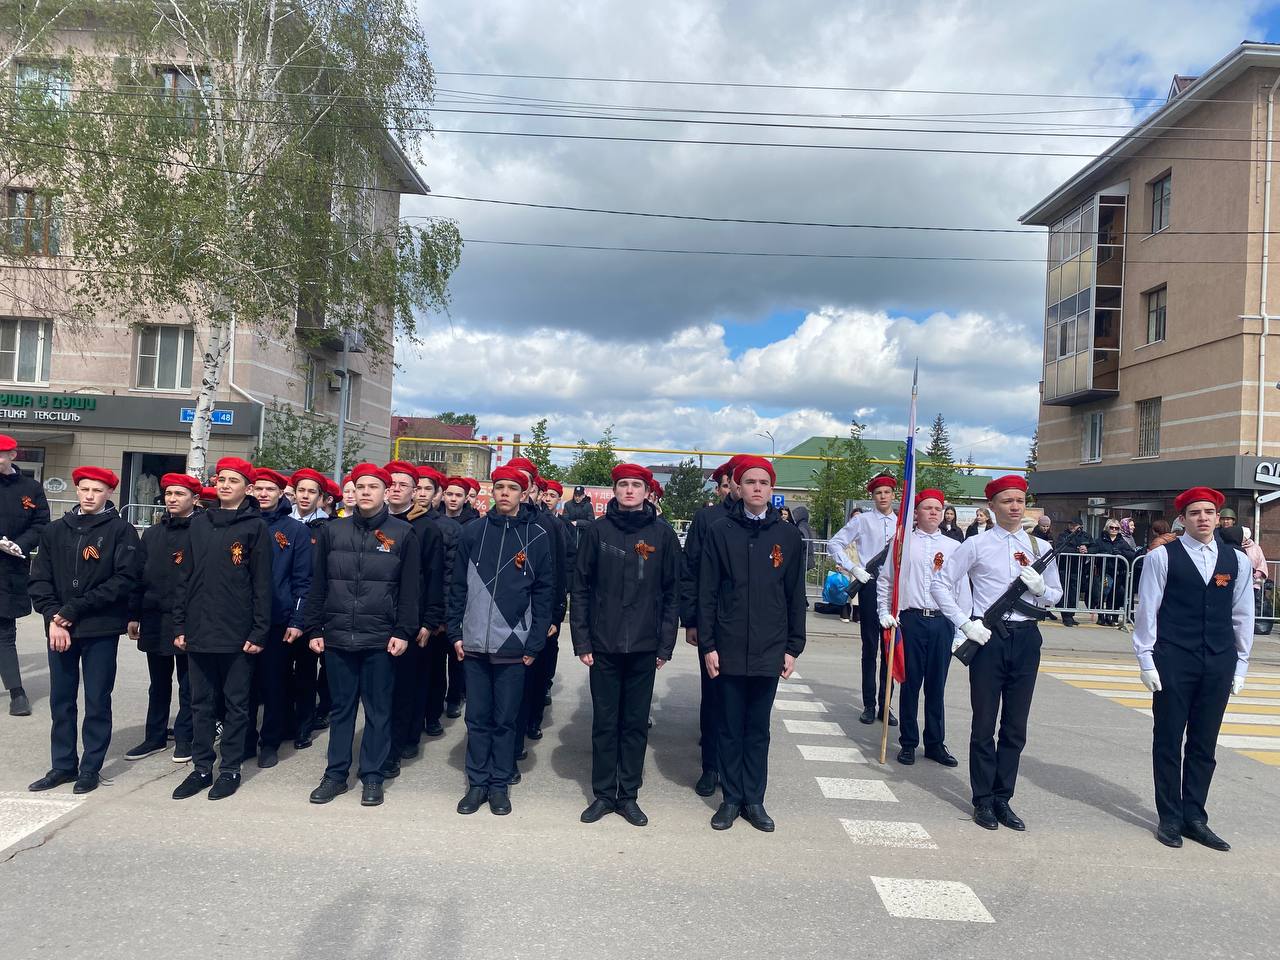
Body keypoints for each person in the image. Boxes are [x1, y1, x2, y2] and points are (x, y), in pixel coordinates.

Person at [931, 474, 1062, 832]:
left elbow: (1056, 595)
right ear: (991, 506)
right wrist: (964, 623)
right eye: (1007, 501)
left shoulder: (1039, 547)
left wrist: (1041, 589)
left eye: (1020, 500)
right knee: (984, 724)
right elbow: (940, 583)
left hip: (1027, 637)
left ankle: (1004, 797)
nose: (1015, 507)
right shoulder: (976, 545)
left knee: (1015, 726)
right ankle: (983, 799)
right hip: (988, 638)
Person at [1132, 487, 1253, 851]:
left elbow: (1242, 614)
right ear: (1182, 519)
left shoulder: (1236, 560)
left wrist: (1241, 664)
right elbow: (1147, 610)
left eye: (1209, 512)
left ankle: (1195, 817)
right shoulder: (1162, 557)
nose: (1203, 518)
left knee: (1204, 743)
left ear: (1218, 518)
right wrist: (1146, 659)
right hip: (1174, 658)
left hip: (1218, 659)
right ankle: (1170, 816)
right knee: (1168, 740)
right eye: (1195, 512)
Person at [698, 456, 805, 832]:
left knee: (758, 728)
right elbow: (708, 591)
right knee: (729, 726)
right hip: (727, 644)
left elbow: (795, 596)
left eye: (763, 482)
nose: (757, 488)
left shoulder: (788, 536)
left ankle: (754, 800)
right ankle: (730, 799)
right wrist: (708, 644)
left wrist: (793, 647)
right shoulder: (720, 531)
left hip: (769, 645)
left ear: (771, 489)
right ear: (738, 488)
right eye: (749, 482)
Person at [303, 464, 419, 807]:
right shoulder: (332, 531)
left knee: (378, 710)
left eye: (373, 486)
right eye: (360, 486)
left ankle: (372, 776)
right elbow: (317, 583)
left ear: (385, 492)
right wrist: (314, 627)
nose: (366, 492)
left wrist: (403, 630)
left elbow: (410, 589)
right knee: (341, 709)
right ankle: (335, 775)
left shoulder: (403, 533)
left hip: (380, 637)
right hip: (338, 636)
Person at [572, 463, 680, 827]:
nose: (629, 490)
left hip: (645, 645)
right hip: (603, 642)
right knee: (605, 722)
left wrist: (665, 645)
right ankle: (604, 794)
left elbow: (672, 592)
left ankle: (628, 794)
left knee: (634, 724)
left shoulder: (662, 534)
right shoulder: (597, 531)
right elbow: (581, 587)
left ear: (647, 492)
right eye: (623, 485)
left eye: (636, 485)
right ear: (614, 491)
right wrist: (582, 640)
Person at [27, 466, 139, 795]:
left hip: (99, 627)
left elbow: (123, 580)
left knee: (97, 699)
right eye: (84, 489)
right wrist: (54, 618)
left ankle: (90, 767)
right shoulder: (55, 530)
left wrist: (71, 610)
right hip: (60, 628)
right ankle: (63, 765)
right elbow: (40, 579)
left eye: (97, 490)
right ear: (77, 490)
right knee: (61, 700)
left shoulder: (121, 531)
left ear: (109, 493)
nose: (90, 496)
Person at [449, 465, 552, 817]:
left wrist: (534, 642)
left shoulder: (537, 536)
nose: (505, 493)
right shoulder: (472, 532)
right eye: (499, 487)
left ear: (524, 494)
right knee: (477, 718)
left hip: (514, 644)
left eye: (512, 488)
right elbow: (457, 587)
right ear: (491, 492)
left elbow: (544, 593)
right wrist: (456, 632)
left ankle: (499, 785)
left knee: (506, 719)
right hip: (474, 643)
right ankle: (476, 783)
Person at [171, 457, 272, 802]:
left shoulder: (255, 527)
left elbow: (262, 584)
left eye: (233, 480)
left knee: (236, 705)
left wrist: (258, 631)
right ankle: (201, 768)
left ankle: (230, 768)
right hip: (199, 630)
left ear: (248, 488)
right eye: (221, 479)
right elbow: (184, 579)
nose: (226, 485)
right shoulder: (199, 524)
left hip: (237, 633)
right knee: (200, 703)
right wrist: (180, 624)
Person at [877, 489, 968, 767]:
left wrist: (961, 628)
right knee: (910, 684)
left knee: (936, 686)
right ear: (916, 513)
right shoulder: (903, 542)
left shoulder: (953, 546)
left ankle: (935, 743)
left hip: (942, 621)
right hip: (912, 619)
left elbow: (962, 588)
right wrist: (884, 611)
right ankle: (908, 742)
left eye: (938, 508)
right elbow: (886, 580)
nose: (934, 513)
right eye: (928, 508)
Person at [125, 473, 200, 764]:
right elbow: (138, 575)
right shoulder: (153, 533)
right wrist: (134, 614)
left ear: (194, 498)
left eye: (179, 494)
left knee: (189, 683)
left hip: (188, 619)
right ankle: (154, 736)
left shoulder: (202, 531)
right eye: (168, 494)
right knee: (158, 683)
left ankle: (186, 738)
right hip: (155, 617)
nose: (172, 499)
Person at [245, 467, 313, 769]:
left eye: (269, 489)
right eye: (258, 488)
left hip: (277, 619)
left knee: (273, 684)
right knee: (243, 687)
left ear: (280, 493)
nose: (263, 494)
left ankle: (269, 742)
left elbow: (302, 579)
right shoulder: (243, 522)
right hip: (240, 618)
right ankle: (244, 740)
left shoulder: (294, 530)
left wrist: (297, 619)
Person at [381, 460, 445, 778]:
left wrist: (429, 621)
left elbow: (434, 577)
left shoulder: (426, 528)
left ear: (414, 491)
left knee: (406, 686)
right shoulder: (371, 521)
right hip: (375, 619)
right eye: (390, 483)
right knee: (380, 689)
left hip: (411, 620)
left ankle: (403, 741)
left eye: (403, 484)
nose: (395, 489)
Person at [680, 458, 737, 798]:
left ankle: (735, 770)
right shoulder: (707, 519)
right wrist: (691, 619)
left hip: (750, 626)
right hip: (712, 620)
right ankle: (710, 766)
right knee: (714, 696)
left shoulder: (766, 521)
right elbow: (691, 569)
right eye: (728, 484)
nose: (733, 489)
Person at [829, 474, 899, 726]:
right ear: (872, 496)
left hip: (894, 590)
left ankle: (885, 704)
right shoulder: (862, 520)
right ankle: (869, 704)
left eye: (887, 492)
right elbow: (835, 544)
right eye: (878, 493)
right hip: (870, 585)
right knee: (870, 646)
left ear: (893, 495)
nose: (883, 496)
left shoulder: (902, 523)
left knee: (890, 649)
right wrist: (854, 568)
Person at [0, 433, 49, 717]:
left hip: (9, 570)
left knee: (5, 633)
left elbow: (42, 523)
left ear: (12, 456)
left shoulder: (30, 488)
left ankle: (17, 692)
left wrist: (20, 544)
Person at [1093, 519, 1137, 626]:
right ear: (1107, 528)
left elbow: (1132, 554)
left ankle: (1110, 616)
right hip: (1104, 572)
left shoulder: (1122, 542)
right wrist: (1105, 553)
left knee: (1115, 595)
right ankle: (1101, 616)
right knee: (1103, 593)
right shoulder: (1100, 540)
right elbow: (1093, 550)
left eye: (1116, 528)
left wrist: (1121, 553)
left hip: (1118, 573)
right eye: (1111, 527)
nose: (1114, 530)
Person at [1053, 518, 1092, 626]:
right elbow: (1060, 547)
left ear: (1080, 526)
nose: (1071, 526)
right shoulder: (1063, 535)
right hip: (1065, 568)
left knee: (1074, 593)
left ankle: (1071, 615)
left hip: (1078, 569)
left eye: (1074, 525)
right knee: (1065, 591)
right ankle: (1066, 616)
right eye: (1070, 524)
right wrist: (1077, 550)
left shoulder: (1086, 536)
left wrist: (1087, 550)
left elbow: (1095, 547)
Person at [562, 483, 596, 548]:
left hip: (584, 535)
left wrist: (577, 523)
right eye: (575, 495)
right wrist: (571, 523)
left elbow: (591, 521)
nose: (577, 498)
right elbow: (564, 519)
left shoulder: (588, 506)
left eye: (579, 496)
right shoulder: (567, 504)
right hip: (570, 534)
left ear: (583, 495)